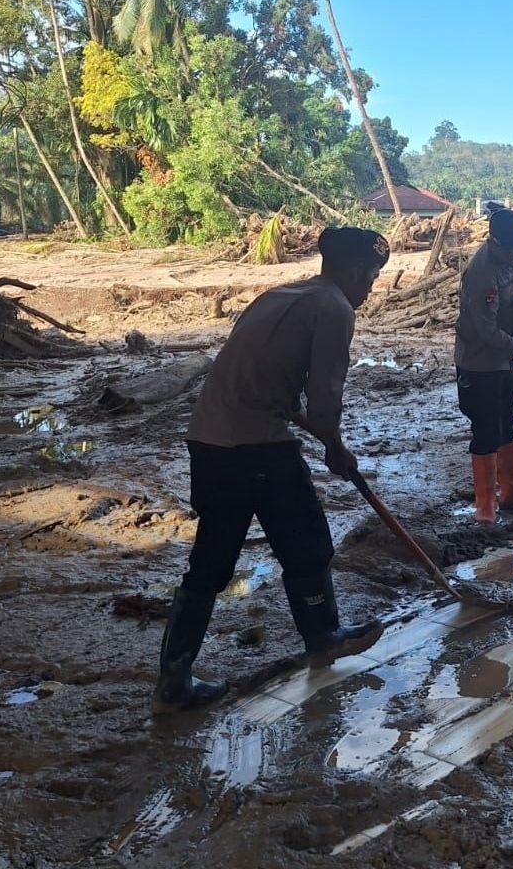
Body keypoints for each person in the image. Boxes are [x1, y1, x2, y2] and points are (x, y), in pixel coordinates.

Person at [154, 226, 391, 714]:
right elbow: (326, 398)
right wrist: (334, 446)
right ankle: (323, 636)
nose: (369, 289)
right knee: (307, 543)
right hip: (253, 443)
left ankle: (173, 682)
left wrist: (311, 428)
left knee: (211, 562)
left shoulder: (283, 294)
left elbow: (261, 380)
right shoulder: (334, 309)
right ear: (350, 272)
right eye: (369, 277)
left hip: (210, 437)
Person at [455, 204, 513, 524]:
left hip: (506, 355)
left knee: (506, 422)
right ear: (494, 244)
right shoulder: (481, 273)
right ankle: (485, 503)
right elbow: (485, 332)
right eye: (510, 252)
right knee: (486, 428)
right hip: (478, 361)